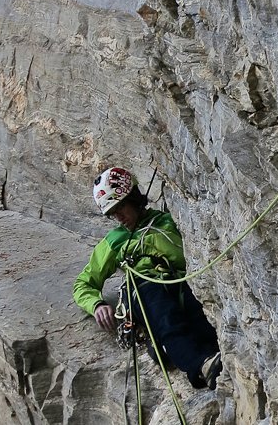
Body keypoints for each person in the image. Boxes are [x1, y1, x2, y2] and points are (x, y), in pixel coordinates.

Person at [73, 167, 223, 390]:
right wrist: (96, 304)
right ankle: (198, 365)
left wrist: (147, 241)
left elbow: (181, 256)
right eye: (112, 213)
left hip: (179, 281)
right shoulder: (114, 241)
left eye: (121, 207)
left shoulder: (167, 222)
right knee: (164, 314)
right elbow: (83, 284)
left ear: (133, 198)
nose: (119, 217)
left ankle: (184, 351)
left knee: (197, 313)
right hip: (145, 286)